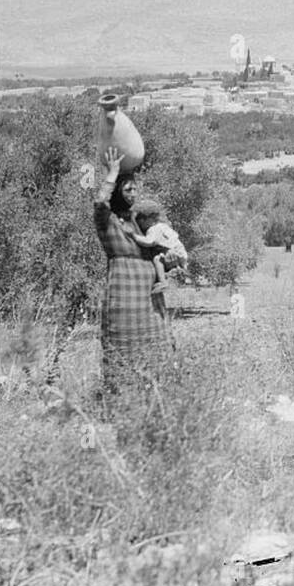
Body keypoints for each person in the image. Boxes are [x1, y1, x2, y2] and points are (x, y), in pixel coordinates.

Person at [93, 147, 168, 399]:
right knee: (123, 351)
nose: (133, 193)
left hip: (150, 299)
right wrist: (113, 172)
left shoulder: (140, 221)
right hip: (124, 298)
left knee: (157, 349)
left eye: (135, 188)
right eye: (127, 189)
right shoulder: (108, 221)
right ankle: (120, 404)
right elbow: (99, 203)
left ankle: (153, 401)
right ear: (117, 191)